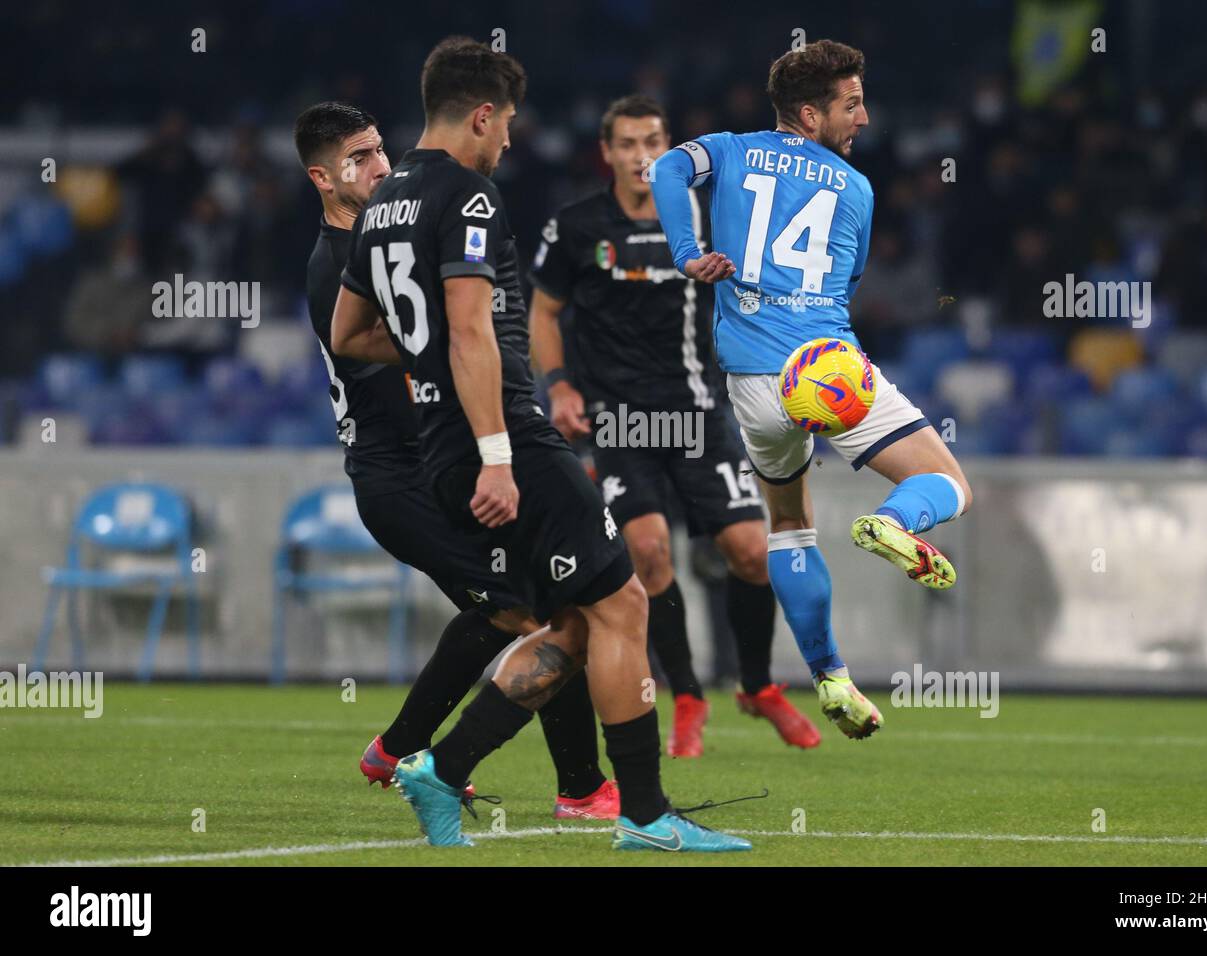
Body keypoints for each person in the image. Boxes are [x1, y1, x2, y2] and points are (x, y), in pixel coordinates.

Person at [330, 38, 749, 852]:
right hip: (506, 441)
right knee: (625, 600)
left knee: (577, 620)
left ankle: (442, 770)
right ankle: (645, 816)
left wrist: (435, 379)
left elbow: (348, 333)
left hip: (437, 447)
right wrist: (496, 450)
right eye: (508, 123)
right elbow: (469, 331)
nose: (510, 140)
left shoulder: (381, 205)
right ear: (482, 114)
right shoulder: (470, 196)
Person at [294, 100, 616, 820]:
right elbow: (397, 369)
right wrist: (473, 372)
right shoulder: (334, 266)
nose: (381, 165)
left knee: (538, 606)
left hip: (431, 463)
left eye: (380, 149)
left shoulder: (382, 236)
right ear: (322, 177)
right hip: (397, 476)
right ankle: (567, 786)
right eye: (360, 158)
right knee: (530, 613)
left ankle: (412, 753)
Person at [650, 39, 973, 739]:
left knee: (790, 524)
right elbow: (846, 286)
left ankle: (831, 676)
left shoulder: (728, 151)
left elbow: (667, 168)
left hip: (754, 386)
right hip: (827, 368)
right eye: (850, 104)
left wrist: (685, 252)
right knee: (949, 483)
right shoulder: (856, 188)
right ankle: (895, 521)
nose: (862, 118)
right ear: (808, 111)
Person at [529, 94, 820, 754]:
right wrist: (560, 386)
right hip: (621, 422)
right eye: (627, 144)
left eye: (653, 141)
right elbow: (543, 314)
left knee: (752, 552)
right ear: (606, 152)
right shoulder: (575, 228)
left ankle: (756, 685)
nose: (641, 156)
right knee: (650, 553)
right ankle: (687, 694)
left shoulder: (708, 221)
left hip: (696, 414)